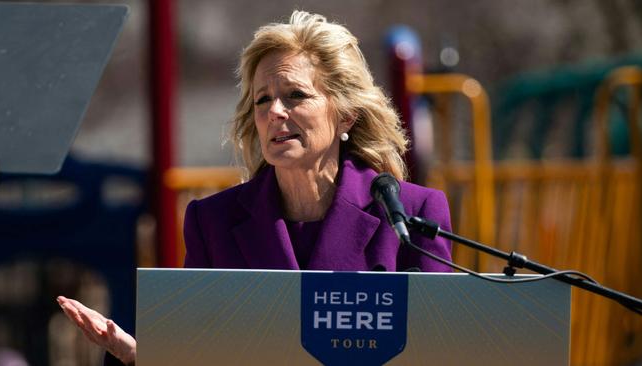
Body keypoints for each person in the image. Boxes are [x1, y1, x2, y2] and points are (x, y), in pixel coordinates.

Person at [57, 10, 452, 365]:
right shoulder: (212, 221)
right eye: (263, 99)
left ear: (346, 115)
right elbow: (196, 353)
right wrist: (140, 357)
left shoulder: (412, 214)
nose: (274, 111)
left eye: (295, 95)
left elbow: (442, 350)